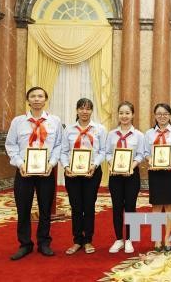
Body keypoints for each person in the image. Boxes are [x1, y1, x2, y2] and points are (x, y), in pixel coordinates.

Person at [5, 86, 62, 260]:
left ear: (45, 100)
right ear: (27, 100)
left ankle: (44, 243)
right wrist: (20, 164)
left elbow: (59, 145)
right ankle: (25, 244)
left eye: (40, 96)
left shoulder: (55, 121)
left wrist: (51, 164)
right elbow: (11, 145)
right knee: (23, 209)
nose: (37, 99)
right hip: (24, 173)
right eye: (33, 96)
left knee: (45, 209)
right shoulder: (18, 122)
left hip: (46, 173)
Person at [60, 98, 106, 255]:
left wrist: (95, 165)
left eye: (88, 109)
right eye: (81, 108)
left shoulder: (99, 129)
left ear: (92, 111)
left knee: (89, 206)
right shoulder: (69, 130)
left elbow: (103, 151)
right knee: (76, 206)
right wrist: (66, 167)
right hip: (72, 174)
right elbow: (64, 151)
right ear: (77, 110)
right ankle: (77, 240)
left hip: (92, 172)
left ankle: (88, 240)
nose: (84, 111)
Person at [144, 103, 171, 252]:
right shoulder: (149, 134)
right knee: (156, 206)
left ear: (169, 115)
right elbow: (145, 153)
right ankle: (157, 238)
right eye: (159, 114)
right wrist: (151, 160)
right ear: (155, 116)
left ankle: (167, 238)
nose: (162, 116)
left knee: (169, 206)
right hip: (155, 172)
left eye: (165, 113)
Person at [106, 101, 144, 254]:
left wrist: (131, 167)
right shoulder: (111, 134)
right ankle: (118, 239)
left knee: (130, 207)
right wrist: (111, 165)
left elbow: (140, 154)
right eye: (121, 113)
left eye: (127, 113)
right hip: (115, 175)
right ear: (118, 115)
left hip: (131, 175)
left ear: (132, 115)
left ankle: (129, 240)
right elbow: (108, 153)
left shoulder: (139, 135)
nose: (124, 116)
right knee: (116, 207)